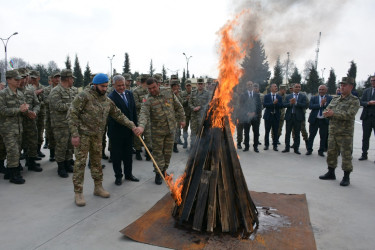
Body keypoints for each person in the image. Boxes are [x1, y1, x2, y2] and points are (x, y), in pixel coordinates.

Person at [68, 73, 138, 206]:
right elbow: (72, 114)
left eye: (106, 86)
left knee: (96, 163)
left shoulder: (106, 100)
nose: (105, 89)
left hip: (97, 137)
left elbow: (118, 115)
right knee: (80, 164)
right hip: (83, 136)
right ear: (94, 85)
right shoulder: (84, 96)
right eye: (102, 86)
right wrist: (75, 134)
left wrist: (132, 126)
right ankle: (78, 193)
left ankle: (98, 187)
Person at [136, 77, 185, 185]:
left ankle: (164, 170)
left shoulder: (168, 92)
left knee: (167, 154)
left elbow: (178, 107)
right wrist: (141, 126)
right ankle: (158, 174)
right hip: (157, 132)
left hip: (171, 129)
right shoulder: (147, 99)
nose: (152, 90)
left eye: (154, 87)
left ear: (158, 84)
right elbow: (143, 114)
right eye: (149, 89)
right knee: (158, 154)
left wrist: (182, 119)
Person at [319, 77, 360, 186]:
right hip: (333, 132)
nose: (341, 87)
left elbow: (349, 114)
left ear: (351, 87)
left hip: (345, 134)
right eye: (341, 85)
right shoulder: (335, 99)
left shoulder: (354, 101)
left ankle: (346, 176)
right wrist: (326, 113)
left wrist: (333, 114)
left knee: (346, 155)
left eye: (344, 85)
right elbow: (327, 110)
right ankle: (331, 172)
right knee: (331, 153)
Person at [107, 75, 139, 185]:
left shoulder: (129, 94)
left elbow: (133, 111)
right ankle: (118, 176)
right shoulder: (111, 97)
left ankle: (128, 174)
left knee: (128, 155)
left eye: (123, 85)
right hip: (116, 132)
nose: (122, 87)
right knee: (116, 156)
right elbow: (111, 117)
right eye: (119, 85)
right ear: (114, 85)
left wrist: (135, 126)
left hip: (129, 131)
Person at [0, 70, 29, 184]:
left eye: (19, 79)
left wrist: (26, 110)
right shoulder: (3, 94)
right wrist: (19, 110)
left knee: (17, 150)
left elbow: (22, 109)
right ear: (8, 80)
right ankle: (14, 175)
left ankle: (10, 171)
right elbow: (2, 110)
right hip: (7, 128)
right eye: (16, 79)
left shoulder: (20, 94)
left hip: (18, 127)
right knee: (13, 151)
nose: (19, 81)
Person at [49, 69, 75, 178]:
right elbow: (58, 106)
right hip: (60, 124)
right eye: (72, 78)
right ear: (68, 79)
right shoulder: (56, 91)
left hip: (69, 123)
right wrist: (73, 105)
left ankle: (68, 163)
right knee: (61, 146)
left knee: (69, 145)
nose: (73, 81)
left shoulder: (70, 90)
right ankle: (61, 167)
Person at [306, 85, 332, 156]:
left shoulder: (330, 98)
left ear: (326, 90)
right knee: (311, 135)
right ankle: (309, 149)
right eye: (320, 89)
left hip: (324, 120)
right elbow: (310, 106)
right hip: (315, 120)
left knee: (323, 136)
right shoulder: (314, 98)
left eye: (323, 89)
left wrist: (325, 104)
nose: (321, 91)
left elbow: (331, 107)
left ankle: (321, 151)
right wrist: (320, 104)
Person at [282, 83, 307, 154]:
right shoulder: (288, 96)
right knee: (288, 133)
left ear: (300, 88)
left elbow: (304, 105)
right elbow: (284, 105)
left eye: (299, 87)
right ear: (293, 88)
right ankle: (287, 148)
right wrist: (290, 103)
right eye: (296, 87)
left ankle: (296, 148)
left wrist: (296, 103)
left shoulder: (303, 96)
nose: (297, 88)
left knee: (297, 133)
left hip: (298, 117)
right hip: (289, 117)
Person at [132, 74, 152, 161]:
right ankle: (138, 152)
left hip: (148, 117)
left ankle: (148, 154)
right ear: (144, 82)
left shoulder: (150, 91)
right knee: (138, 136)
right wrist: (146, 105)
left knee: (148, 135)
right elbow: (135, 104)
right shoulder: (136, 91)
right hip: (139, 117)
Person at [238, 81, 261, 152]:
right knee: (246, 132)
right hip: (246, 116)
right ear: (246, 86)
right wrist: (247, 113)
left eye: (251, 84)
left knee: (256, 132)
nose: (250, 86)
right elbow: (241, 106)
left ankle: (255, 147)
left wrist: (255, 112)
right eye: (249, 85)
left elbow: (259, 106)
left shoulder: (256, 95)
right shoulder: (243, 95)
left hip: (255, 116)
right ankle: (246, 146)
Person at [44, 71, 60, 162]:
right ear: (52, 79)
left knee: (61, 137)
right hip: (50, 117)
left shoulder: (63, 89)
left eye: (59, 77)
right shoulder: (47, 90)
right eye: (56, 77)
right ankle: (52, 154)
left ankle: (61, 156)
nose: (57, 79)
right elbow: (46, 101)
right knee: (51, 136)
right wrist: (55, 100)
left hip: (60, 118)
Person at [189, 78, 210, 147]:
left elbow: (209, 104)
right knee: (193, 133)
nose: (200, 85)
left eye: (201, 84)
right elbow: (190, 103)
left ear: (203, 84)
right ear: (197, 84)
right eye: (199, 84)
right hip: (194, 116)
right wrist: (193, 108)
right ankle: (192, 148)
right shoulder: (193, 92)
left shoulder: (207, 93)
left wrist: (201, 107)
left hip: (202, 116)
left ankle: (200, 148)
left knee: (201, 132)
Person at [358, 75, 375, 161]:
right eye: (371, 80)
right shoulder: (366, 91)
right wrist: (368, 103)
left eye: (374, 80)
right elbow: (361, 102)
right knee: (365, 137)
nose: (373, 82)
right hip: (367, 117)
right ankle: (364, 154)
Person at [263, 83, 283, 151]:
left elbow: (281, 106)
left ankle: (275, 145)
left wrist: (277, 103)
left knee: (275, 131)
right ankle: (266, 145)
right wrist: (273, 103)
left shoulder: (279, 97)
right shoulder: (267, 96)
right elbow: (265, 105)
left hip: (276, 116)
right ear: (271, 88)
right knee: (267, 131)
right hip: (268, 116)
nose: (276, 87)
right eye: (274, 86)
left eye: (276, 86)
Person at [181, 80, 193, 148]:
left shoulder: (194, 93)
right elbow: (181, 104)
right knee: (185, 129)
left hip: (192, 114)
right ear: (185, 86)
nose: (188, 87)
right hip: (185, 114)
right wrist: (186, 100)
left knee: (193, 129)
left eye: (189, 85)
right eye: (187, 86)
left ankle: (192, 143)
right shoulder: (182, 94)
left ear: (191, 86)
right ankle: (185, 141)